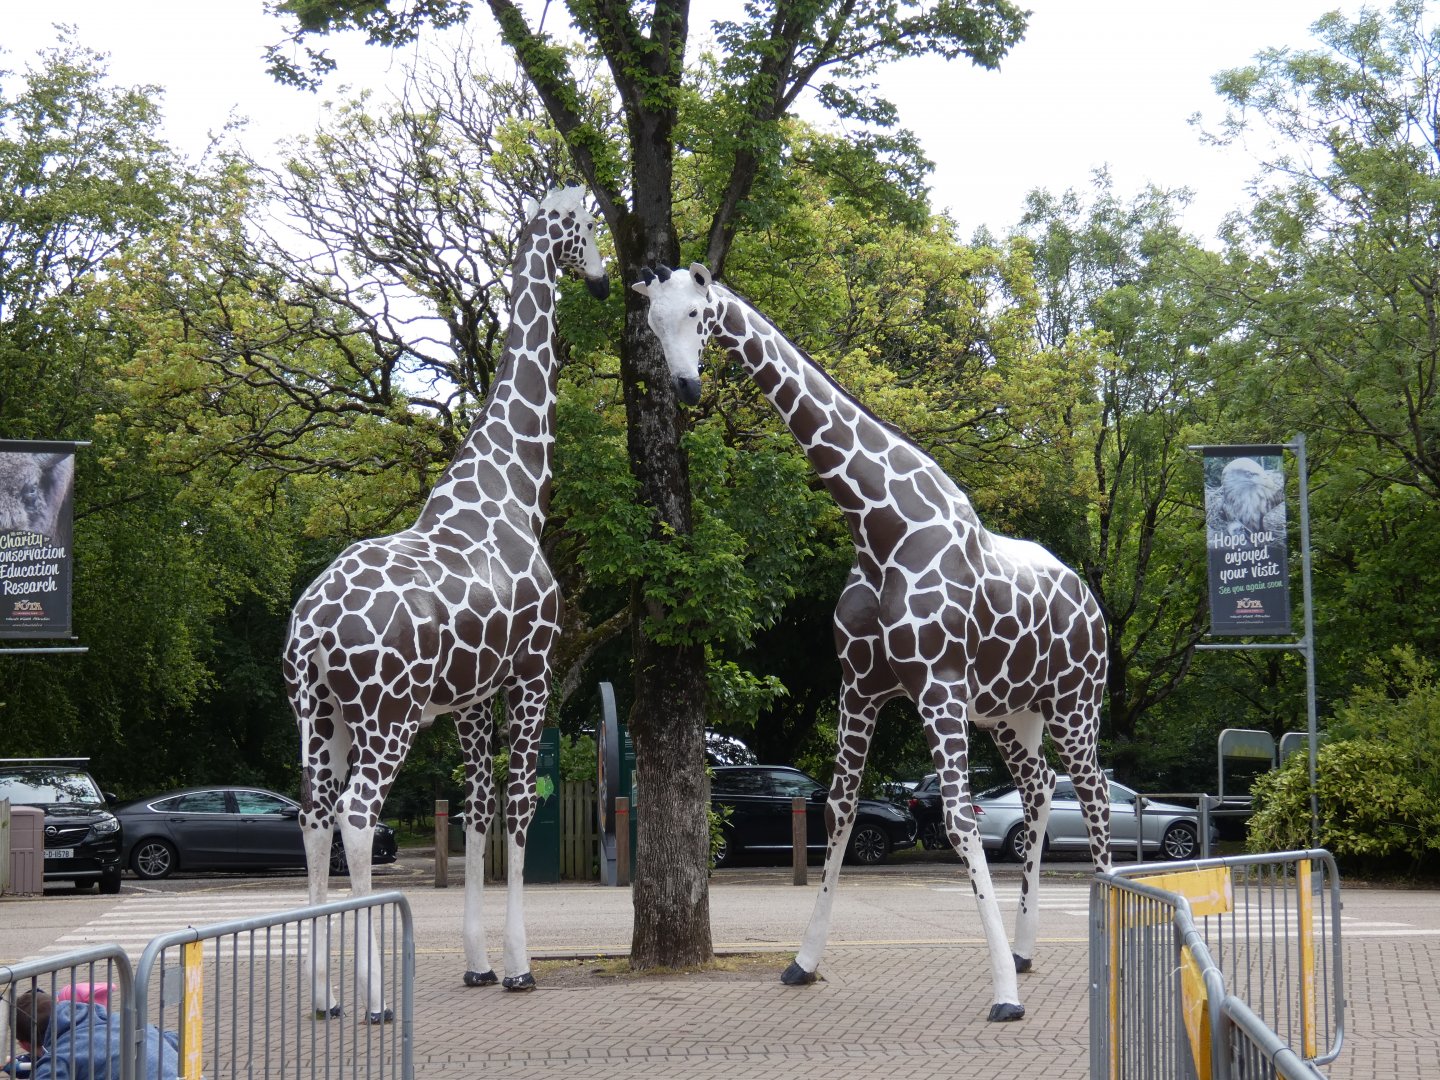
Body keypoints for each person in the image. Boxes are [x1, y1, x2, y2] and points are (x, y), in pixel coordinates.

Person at [8, 989, 180, 1080]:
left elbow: (60, 1063)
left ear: (25, 1044)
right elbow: (175, 1040)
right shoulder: (121, 1021)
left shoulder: (62, 1057)